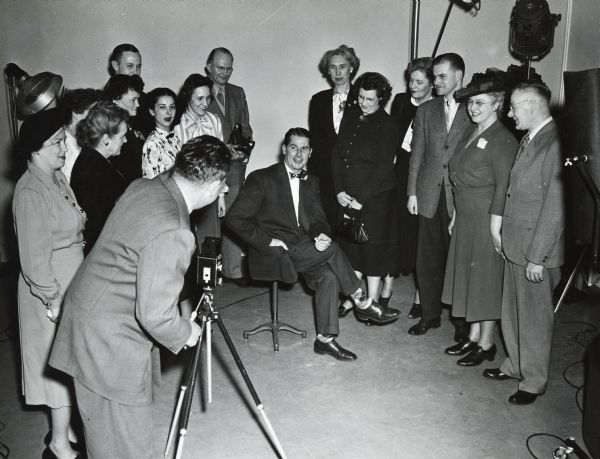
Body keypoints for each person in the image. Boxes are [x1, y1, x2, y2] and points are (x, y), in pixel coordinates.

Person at [49, 135, 231, 458]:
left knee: (104, 441)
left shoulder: (144, 187)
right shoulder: (175, 229)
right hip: (108, 346)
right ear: (215, 185)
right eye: (224, 185)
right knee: (127, 448)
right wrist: (187, 332)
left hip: (88, 322)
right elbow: (156, 315)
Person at [227, 128, 400, 361]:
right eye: (294, 148)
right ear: (284, 149)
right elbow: (235, 219)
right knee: (334, 250)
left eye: (305, 149)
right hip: (273, 251)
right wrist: (269, 240)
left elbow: (318, 219)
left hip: (304, 248)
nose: (299, 155)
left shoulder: (311, 181)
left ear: (311, 153)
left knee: (328, 277)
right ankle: (362, 300)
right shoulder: (262, 178)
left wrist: (320, 235)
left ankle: (325, 339)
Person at [483, 81, 566, 405]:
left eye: (514, 107)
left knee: (534, 318)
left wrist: (538, 257)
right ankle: (516, 364)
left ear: (532, 105)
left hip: (536, 251)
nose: (509, 113)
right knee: (513, 311)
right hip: (517, 245)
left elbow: (556, 206)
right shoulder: (531, 138)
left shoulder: (556, 142)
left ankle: (533, 380)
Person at [13, 108, 86, 459]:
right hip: (48, 293)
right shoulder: (30, 191)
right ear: (35, 149)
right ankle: (58, 443)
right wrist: (53, 300)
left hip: (70, 281)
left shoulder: (55, 178)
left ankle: (67, 429)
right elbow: (34, 259)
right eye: (57, 143)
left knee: (69, 362)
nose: (63, 148)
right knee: (56, 367)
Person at [441, 72, 518, 366]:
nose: (473, 108)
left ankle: (487, 343)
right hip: (467, 215)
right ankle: (473, 337)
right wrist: (457, 215)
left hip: (487, 218)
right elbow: (459, 176)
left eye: (481, 103)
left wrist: (495, 228)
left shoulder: (503, 139)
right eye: (471, 102)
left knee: (485, 280)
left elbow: (504, 187)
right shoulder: (469, 132)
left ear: (497, 103)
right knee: (470, 277)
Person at [406, 52, 472, 337]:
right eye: (435, 76)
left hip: (459, 198)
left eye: (443, 76)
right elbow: (416, 154)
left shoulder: (475, 109)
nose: (437, 81)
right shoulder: (425, 110)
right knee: (427, 259)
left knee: (457, 262)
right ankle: (430, 315)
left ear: (459, 76)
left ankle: (460, 322)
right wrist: (411, 193)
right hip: (427, 197)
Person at [332, 72, 402, 315]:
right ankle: (355, 297)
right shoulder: (350, 117)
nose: (363, 103)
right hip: (348, 193)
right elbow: (337, 156)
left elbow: (384, 168)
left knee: (371, 249)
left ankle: (371, 302)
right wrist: (339, 190)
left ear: (381, 99)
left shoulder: (388, 125)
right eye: (361, 97)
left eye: (369, 99)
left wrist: (361, 200)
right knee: (351, 247)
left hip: (375, 197)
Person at [390, 57, 434, 318]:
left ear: (431, 84)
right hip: (399, 171)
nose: (412, 86)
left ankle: (420, 297)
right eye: (410, 80)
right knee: (396, 232)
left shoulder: (437, 108)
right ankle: (385, 292)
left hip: (421, 176)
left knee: (420, 239)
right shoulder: (400, 101)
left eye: (419, 82)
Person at [206, 47, 253, 284]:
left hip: (235, 169)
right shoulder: (200, 92)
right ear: (209, 67)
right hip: (209, 169)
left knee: (234, 219)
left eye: (228, 68)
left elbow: (245, 128)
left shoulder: (238, 92)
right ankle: (208, 271)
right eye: (220, 67)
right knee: (209, 221)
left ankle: (233, 270)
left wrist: (242, 154)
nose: (224, 72)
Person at [308, 44, 360, 231]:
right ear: (327, 70)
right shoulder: (318, 100)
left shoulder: (363, 98)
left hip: (354, 175)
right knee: (326, 224)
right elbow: (314, 140)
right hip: (325, 174)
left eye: (342, 66)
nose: (338, 72)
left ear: (351, 68)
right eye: (332, 67)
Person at [174, 74, 226, 248]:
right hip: (185, 195)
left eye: (208, 98)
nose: (205, 103)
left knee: (209, 245)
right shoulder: (176, 124)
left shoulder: (214, 121)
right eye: (200, 99)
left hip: (208, 193)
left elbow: (221, 163)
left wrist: (220, 196)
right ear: (188, 97)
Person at [71, 101, 129, 254]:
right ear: (106, 139)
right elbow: (99, 225)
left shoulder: (96, 160)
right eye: (122, 136)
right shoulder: (90, 169)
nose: (126, 141)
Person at [103, 74, 145, 183]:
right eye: (133, 100)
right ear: (116, 100)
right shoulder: (113, 131)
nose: (138, 104)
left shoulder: (131, 123)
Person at [58, 88, 102, 182]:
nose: (97, 118)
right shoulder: (66, 147)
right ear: (76, 113)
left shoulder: (77, 139)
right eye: (93, 112)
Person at [141, 87, 181, 178]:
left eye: (172, 107)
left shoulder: (175, 136)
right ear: (152, 111)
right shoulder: (152, 144)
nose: (169, 112)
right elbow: (152, 184)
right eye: (162, 107)